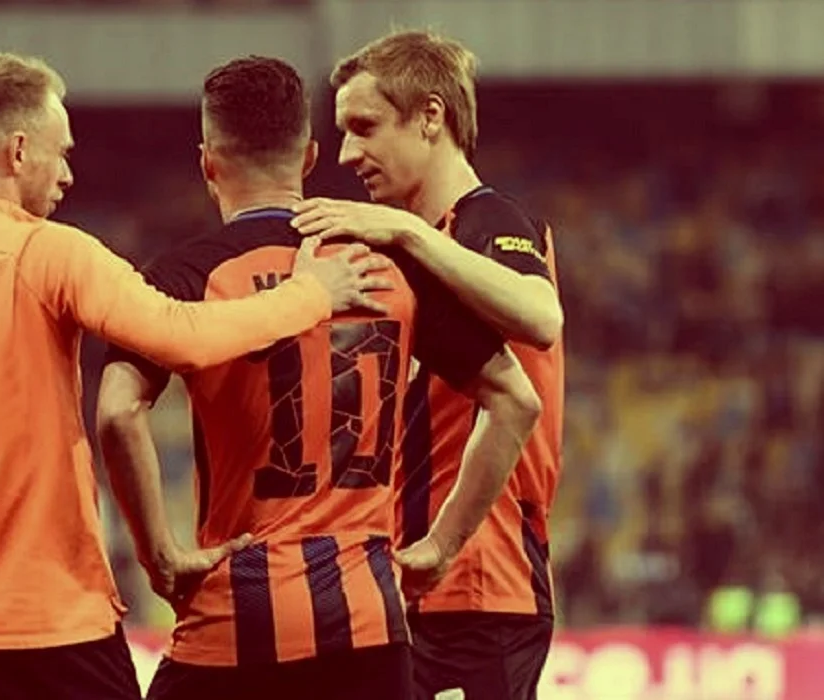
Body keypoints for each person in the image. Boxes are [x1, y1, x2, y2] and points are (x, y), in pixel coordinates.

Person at [0, 52, 388, 700]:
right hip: (58, 638)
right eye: (61, 154)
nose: (68, 174)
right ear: (18, 151)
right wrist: (309, 295)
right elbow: (183, 338)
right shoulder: (51, 254)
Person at [96, 55, 541, 700]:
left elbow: (117, 411)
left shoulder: (185, 276)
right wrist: (443, 545)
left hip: (235, 616)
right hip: (367, 622)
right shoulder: (388, 269)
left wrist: (158, 554)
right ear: (308, 158)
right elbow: (516, 399)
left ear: (208, 163)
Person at [290, 29, 566, 700]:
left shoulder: (490, 221)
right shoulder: (414, 251)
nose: (347, 153)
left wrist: (408, 231)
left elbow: (541, 317)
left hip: (481, 585)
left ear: (431, 117)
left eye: (365, 127)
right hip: (413, 583)